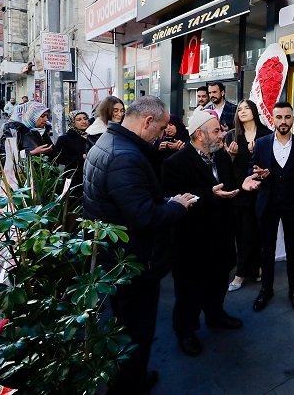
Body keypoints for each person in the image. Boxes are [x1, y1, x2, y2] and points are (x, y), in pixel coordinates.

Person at [83, 96, 196, 394]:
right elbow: (144, 215)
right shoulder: (125, 156)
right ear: (147, 122)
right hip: (133, 261)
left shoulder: (109, 143)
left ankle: (128, 379)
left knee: (125, 326)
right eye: (160, 129)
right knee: (136, 330)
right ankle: (130, 385)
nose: (161, 136)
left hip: (116, 256)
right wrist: (177, 206)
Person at [162, 110, 242, 357]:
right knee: (189, 291)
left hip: (221, 236)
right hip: (192, 241)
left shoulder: (221, 158)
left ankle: (215, 315)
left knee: (219, 281)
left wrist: (245, 184)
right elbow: (174, 200)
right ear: (199, 134)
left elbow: (229, 186)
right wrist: (210, 194)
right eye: (216, 131)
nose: (222, 135)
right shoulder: (175, 163)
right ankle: (185, 331)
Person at [249, 101, 294, 313]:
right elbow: (252, 166)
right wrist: (257, 172)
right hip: (267, 203)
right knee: (266, 250)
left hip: (291, 204)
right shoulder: (261, 144)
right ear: (273, 119)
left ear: (292, 119)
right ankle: (266, 290)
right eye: (279, 117)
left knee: (293, 250)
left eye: (287, 117)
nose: (283, 121)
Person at [225, 100, 271, 292]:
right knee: (243, 234)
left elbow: (273, 163)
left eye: (246, 108)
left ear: (254, 110)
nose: (242, 111)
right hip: (241, 192)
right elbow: (226, 168)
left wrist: (258, 153)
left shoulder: (266, 134)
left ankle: (255, 268)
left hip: (262, 190)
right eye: (239, 109)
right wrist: (230, 156)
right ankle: (241, 273)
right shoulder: (232, 135)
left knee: (258, 233)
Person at [53, 110, 90, 197]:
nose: (83, 121)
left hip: (90, 178)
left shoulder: (92, 137)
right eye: (79, 119)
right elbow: (58, 158)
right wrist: (81, 157)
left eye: (85, 118)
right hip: (73, 179)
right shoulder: (64, 139)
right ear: (72, 122)